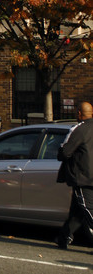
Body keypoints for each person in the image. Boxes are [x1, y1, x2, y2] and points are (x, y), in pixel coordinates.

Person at [56, 101, 93, 249]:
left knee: (87, 209)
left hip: (83, 177)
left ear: (79, 113)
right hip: (89, 176)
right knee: (77, 210)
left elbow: (64, 152)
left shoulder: (79, 129)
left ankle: (64, 237)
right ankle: (63, 237)